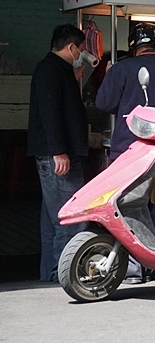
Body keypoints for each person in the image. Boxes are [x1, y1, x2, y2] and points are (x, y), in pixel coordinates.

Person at [96, 22, 155, 284]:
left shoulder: (121, 69)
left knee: (128, 206)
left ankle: (132, 268)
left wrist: (108, 76)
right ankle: (151, 263)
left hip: (129, 152)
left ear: (133, 45)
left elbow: (104, 103)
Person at [28, 24, 89, 282]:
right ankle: (63, 277)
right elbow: (50, 113)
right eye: (82, 49)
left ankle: (51, 275)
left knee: (52, 220)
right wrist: (59, 152)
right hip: (58, 157)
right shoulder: (50, 71)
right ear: (71, 47)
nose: (83, 54)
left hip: (56, 154)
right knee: (69, 218)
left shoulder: (58, 71)